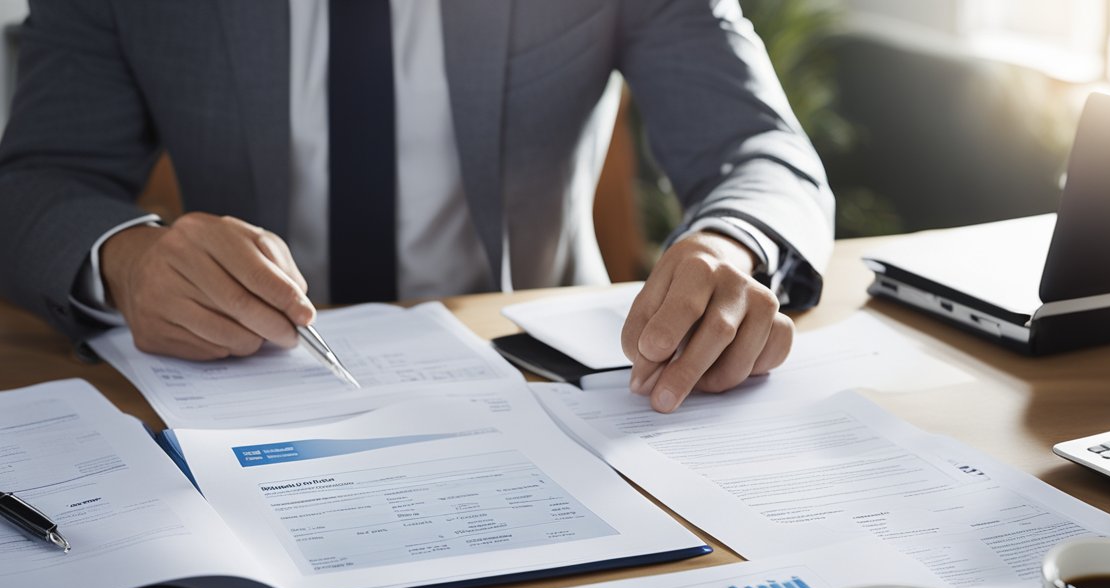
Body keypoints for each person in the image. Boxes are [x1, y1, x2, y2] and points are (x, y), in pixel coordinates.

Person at [0, 0, 834, 413]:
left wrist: (731, 248)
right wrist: (129, 258)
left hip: (549, 389)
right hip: (239, 391)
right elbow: (32, 182)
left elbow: (762, 150)